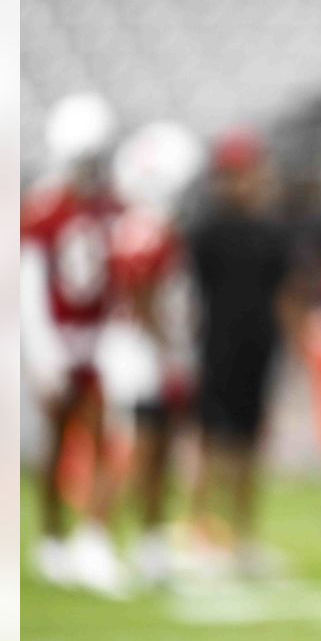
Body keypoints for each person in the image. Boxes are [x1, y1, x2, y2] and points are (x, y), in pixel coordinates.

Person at [21, 93, 126, 596]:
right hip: (60, 336)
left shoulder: (113, 204)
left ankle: (94, 536)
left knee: (107, 437)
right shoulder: (44, 207)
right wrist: (42, 351)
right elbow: (30, 282)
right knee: (56, 441)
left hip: (101, 336)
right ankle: (53, 538)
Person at [187, 128, 297, 576]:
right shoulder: (205, 232)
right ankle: (200, 534)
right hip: (216, 345)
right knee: (212, 442)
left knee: (251, 444)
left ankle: (243, 538)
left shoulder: (273, 233)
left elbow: (287, 294)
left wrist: (291, 346)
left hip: (259, 347)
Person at [104, 121, 205, 585]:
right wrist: (173, 352)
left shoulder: (139, 224)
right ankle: (101, 537)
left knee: (158, 450)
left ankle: (149, 542)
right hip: (142, 353)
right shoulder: (149, 229)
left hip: (142, 348)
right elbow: (143, 296)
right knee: (139, 450)